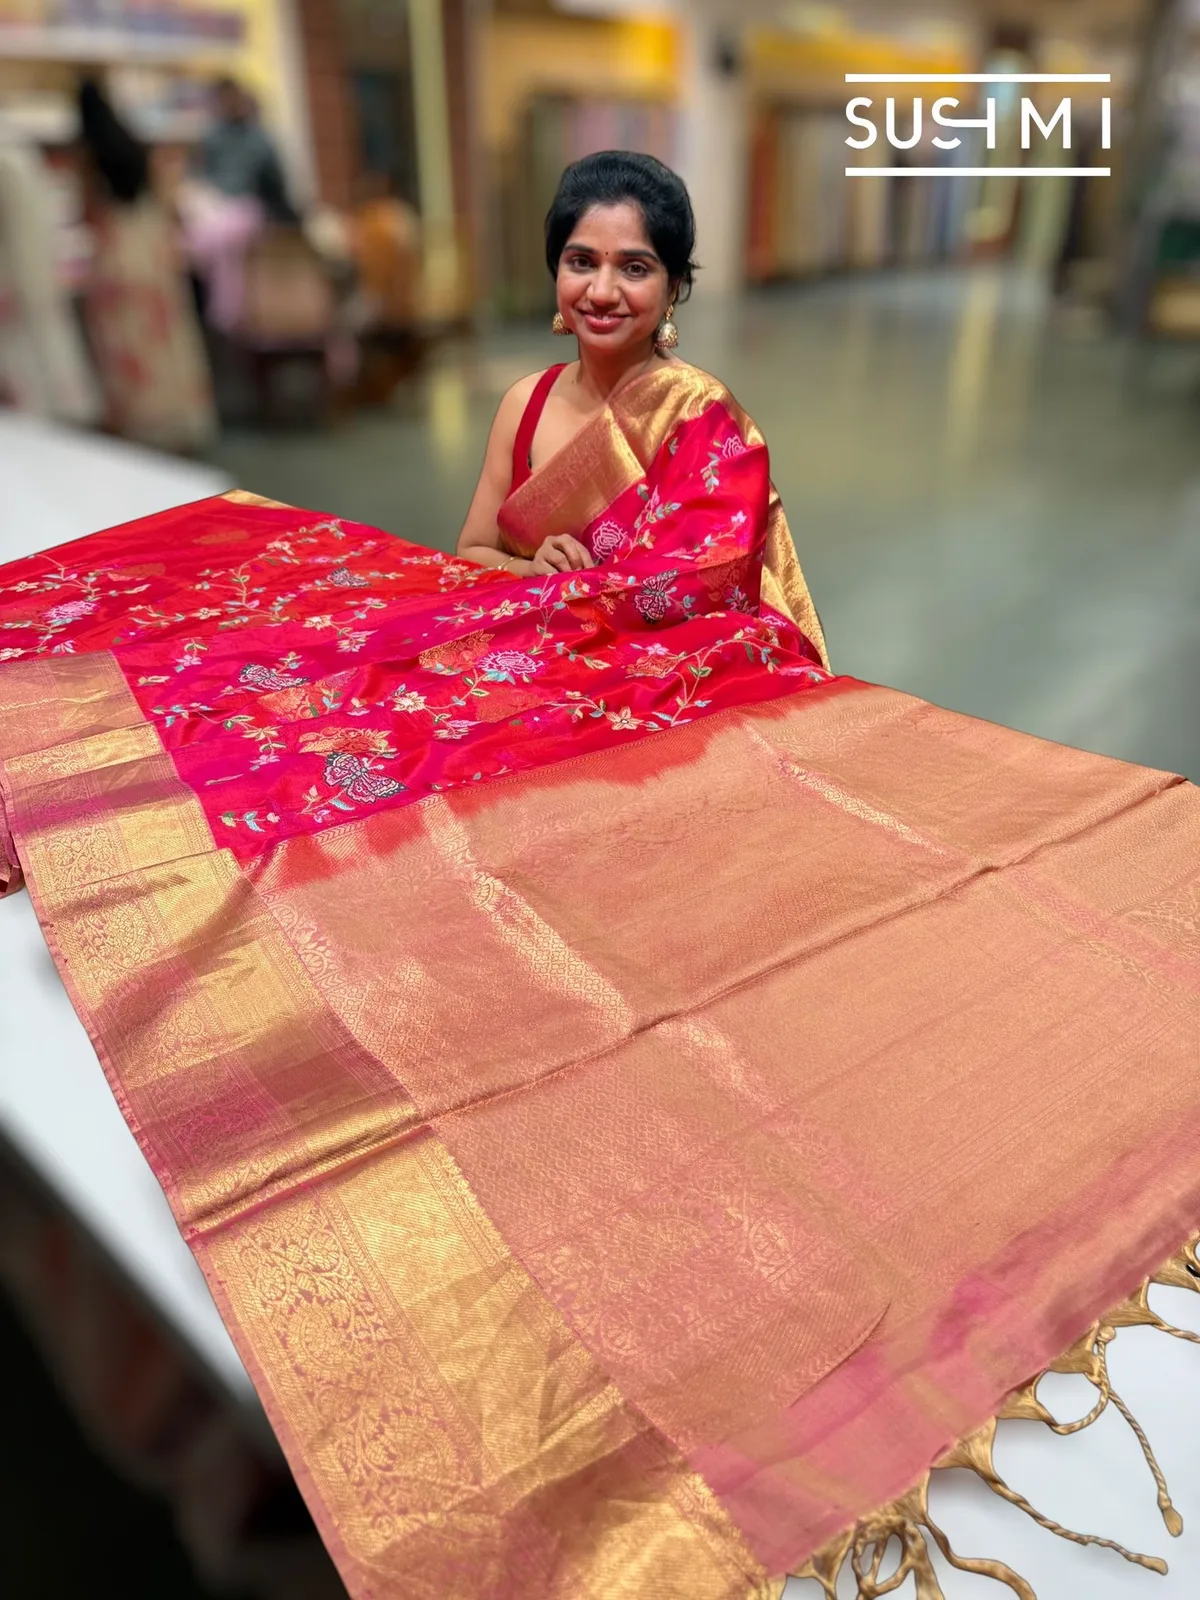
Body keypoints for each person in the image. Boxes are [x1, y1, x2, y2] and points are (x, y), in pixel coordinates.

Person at [454, 150, 826, 660]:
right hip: (531, 663)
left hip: (659, 684)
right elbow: (471, 554)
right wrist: (531, 571)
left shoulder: (702, 419)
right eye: (581, 262)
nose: (602, 292)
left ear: (672, 285)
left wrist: (581, 597)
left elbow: (720, 593)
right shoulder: (525, 404)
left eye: (634, 268)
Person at [76, 78, 215, 453]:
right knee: (166, 340)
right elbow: (170, 210)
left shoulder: (91, 159)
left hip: (116, 262)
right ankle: (179, 419)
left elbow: (90, 217)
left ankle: (143, 426)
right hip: (153, 257)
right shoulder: (138, 149)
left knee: (127, 344)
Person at [199, 78, 296, 225]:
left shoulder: (257, 138)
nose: (229, 105)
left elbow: (275, 181)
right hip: (216, 205)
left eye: (232, 98)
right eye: (224, 100)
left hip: (249, 208)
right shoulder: (213, 137)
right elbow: (204, 175)